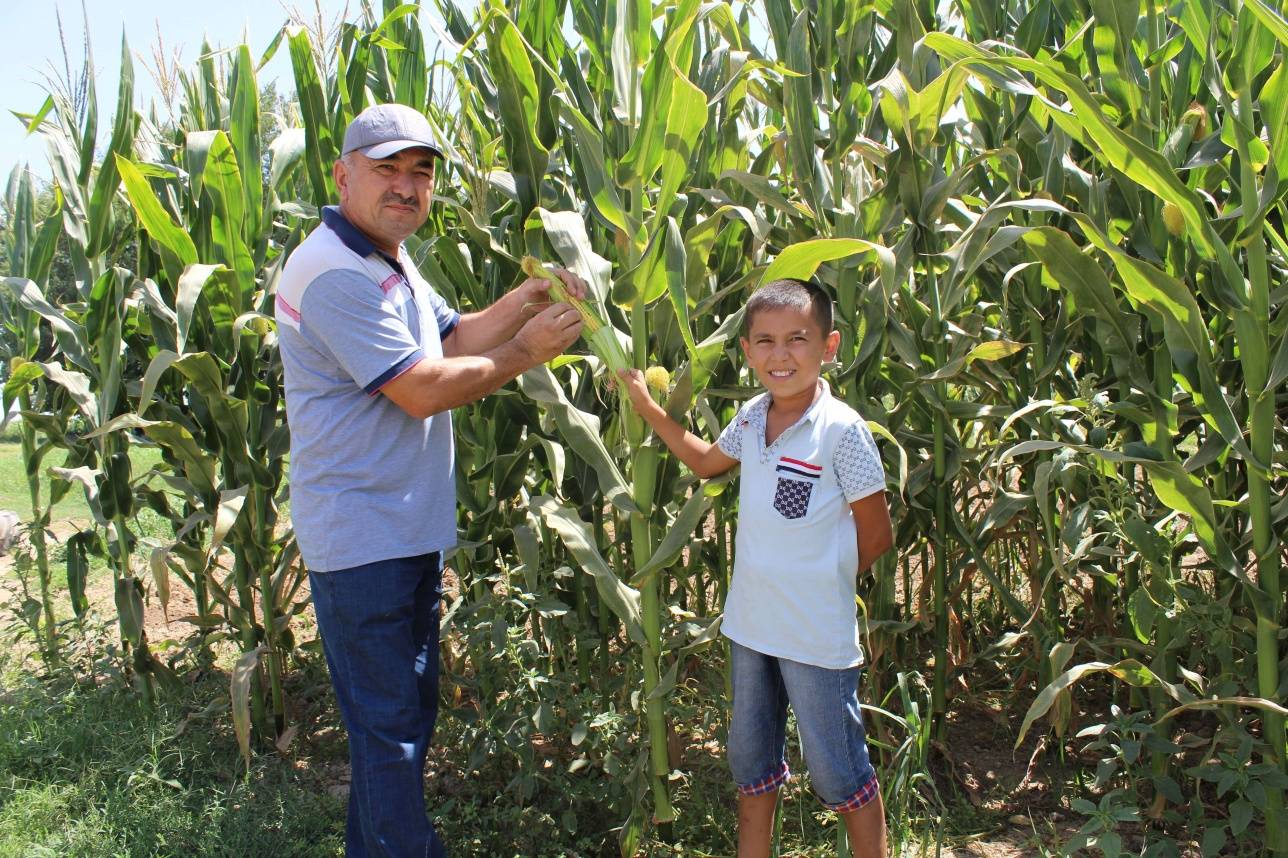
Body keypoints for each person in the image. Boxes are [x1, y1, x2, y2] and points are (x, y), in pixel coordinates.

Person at [274, 103, 587, 857]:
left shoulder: (388, 258)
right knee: (391, 736)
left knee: (400, 728)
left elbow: (450, 337)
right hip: (362, 542)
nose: (408, 188)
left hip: (402, 533)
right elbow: (419, 386)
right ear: (343, 174)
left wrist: (525, 301)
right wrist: (527, 353)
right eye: (388, 170)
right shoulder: (331, 273)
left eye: (421, 173)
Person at [618, 278, 894, 858]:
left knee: (839, 773)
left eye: (798, 339)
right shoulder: (750, 417)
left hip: (815, 639)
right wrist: (648, 408)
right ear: (746, 350)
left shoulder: (843, 432)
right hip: (750, 628)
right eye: (765, 341)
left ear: (830, 345)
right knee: (751, 764)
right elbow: (705, 462)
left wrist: (826, 578)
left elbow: (877, 534)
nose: (780, 354)